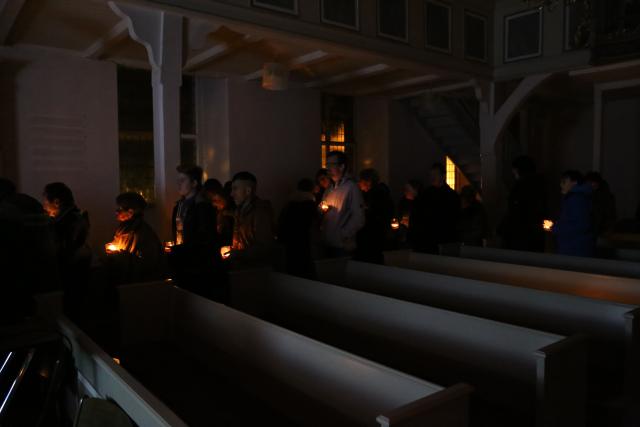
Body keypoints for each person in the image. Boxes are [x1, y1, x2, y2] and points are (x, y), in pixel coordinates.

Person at [169, 165, 225, 302]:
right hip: (184, 262)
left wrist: (181, 249)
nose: (178, 184)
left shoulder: (203, 207)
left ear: (194, 183)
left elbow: (205, 239)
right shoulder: (179, 206)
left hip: (200, 268)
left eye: (182, 180)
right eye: (178, 180)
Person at [42, 182, 91, 323]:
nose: (44, 205)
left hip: (70, 273)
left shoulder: (65, 222)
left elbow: (63, 250)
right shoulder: (77, 216)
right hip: (76, 272)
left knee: (71, 312)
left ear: (56, 202)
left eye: (46, 201)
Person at [104, 192, 163, 284]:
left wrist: (120, 256)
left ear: (130, 212)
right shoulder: (122, 229)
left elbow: (147, 265)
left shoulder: (144, 234)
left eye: (120, 209)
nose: (116, 211)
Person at [226, 171, 275, 269]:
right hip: (243, 267)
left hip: (257, 270)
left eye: (235, 189)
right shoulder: (239, 211)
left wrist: (239, 254)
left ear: (248, 191)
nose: (231, 194)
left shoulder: (261, 212)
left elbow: (265, 248)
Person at [320, 151, 365, 257]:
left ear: (342, 166)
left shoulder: (351, 187)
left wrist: (343, 234)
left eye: (332, 165)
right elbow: (322, 207)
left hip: (342, 246)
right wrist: (321, 209)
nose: (328, 168)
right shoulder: (329, 189)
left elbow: (359, 218)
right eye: (327, 165)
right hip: (327, 242)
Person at [498, 156, 547, 252]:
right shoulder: (539, 185)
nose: (513, 172)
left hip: (521, 235)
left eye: (514, 170)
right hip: (533, 234)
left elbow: (517, 212)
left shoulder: (522, 187)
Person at [409, 163, 460, 254]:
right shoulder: (425, 195)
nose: (432, 177)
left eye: (435, 174)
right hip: (426, 240)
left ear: (443, 176)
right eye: (431, 175)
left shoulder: (451, 196)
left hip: (443, 240)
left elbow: (453, 220)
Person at [277, 178, 318, 279]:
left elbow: (281, 222)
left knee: (293, 269)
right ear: (311, 189)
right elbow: (314, 225)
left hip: (289, 242)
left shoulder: (289, 204)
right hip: (305, 242)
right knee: (305, 270)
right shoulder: (310, 204)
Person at [355, 168, 395, 264]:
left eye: (361, 181)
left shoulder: (377, 195)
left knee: (372, 259)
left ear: (368, 182)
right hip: (375, 233)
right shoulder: (375, 194)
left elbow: (376, 213)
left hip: (373, 233)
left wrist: (364, 208)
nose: (359, 184)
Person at [553, 171, 595, 257]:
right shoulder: (578, 197)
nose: (561, 185)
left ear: (574, 182)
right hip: (575, 246)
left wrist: (557, 228)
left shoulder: (576, 199)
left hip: (573, 247)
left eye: (564, 182)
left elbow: (580, 225)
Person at [584, 172, 616, 236]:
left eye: (592, 184)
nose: (591, 186)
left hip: (600, 232)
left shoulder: (605, 197)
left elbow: (610, 215)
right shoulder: (586, 196)